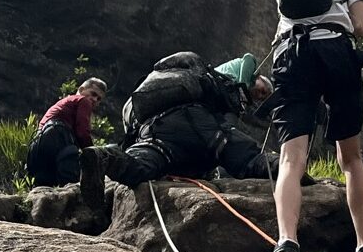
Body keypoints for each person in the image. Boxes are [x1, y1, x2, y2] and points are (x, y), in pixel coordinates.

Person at [257, 0, 363, 252]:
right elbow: (362, 27)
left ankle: (286, 243)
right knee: (351, 159)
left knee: (290, 157)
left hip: (290, 56)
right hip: (334, 52)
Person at [79, 52, 272, 202]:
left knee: (140, 167)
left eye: (263, 98)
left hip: (155, 128)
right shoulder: (240, 71)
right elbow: (249, 61)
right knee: (246, 156)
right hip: (193, 118)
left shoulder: (184, 83)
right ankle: (290, 169)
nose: (260, 95)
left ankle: (103, 157)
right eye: (262, 90)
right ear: (257, 76)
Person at [27, 77, 107, 186]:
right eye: (93, 94)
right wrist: (92, 154)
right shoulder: (83, 101)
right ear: (82, 89)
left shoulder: (64, 102)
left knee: (44, 186)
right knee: (70, 187)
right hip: (58, 138)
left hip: (37, 145)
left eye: (99, 99)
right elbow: (82, 132)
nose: (94, 99)